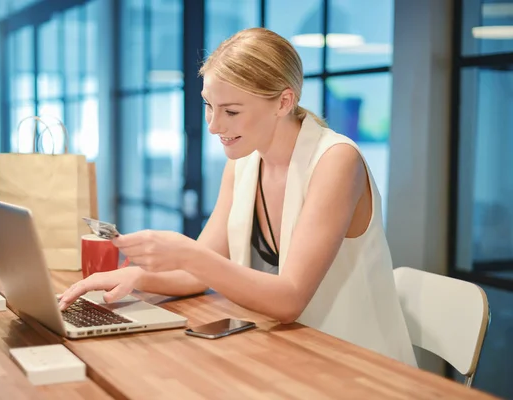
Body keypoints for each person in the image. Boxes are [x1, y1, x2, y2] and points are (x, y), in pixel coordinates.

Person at [59, 27, 417, 366]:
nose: (214, 125)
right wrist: (138, 278)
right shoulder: (245, 161)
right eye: (208, 106)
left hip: (359, 364)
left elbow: (289, 299)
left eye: (231, 111)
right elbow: (198, 274)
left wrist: (185, 252)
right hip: (295, 352)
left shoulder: (337, 160)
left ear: (283, 102)